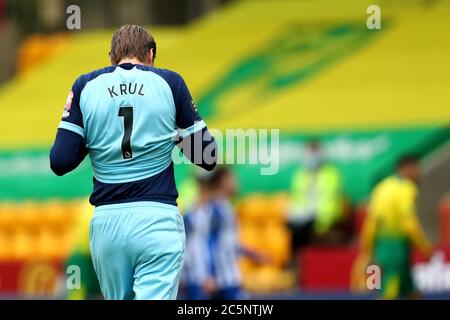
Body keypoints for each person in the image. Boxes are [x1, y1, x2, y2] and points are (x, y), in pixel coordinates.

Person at [49, 25, 217, 300]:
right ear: (150, 55)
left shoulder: (84, 85)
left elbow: (60, 161)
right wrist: (174, 135)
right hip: (156, 218)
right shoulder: (170, 82)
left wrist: (93, 141)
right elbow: (207, 157)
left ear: (112, 57)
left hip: (107, 224)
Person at [357, 155, 432, 299]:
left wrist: (368, 248)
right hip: (396, 245)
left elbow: (371, 221)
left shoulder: (382, 187)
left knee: (409, 289)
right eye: (417, 168)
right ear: (408, 168)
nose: (419, 173)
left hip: (381, 242)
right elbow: (409, 223)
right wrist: (425, 248)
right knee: (390, 289)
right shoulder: (406, 189)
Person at [288, 140, 343, 253]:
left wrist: (315, 212)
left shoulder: (330, 173)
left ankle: (300, 258)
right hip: (305, 214)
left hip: (325, 215)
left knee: (301, 229)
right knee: (292, 225)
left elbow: (331, 198)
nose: (311, 157)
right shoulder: (300, 174)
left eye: (314, 153)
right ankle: (298, 259)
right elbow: (297, 197)